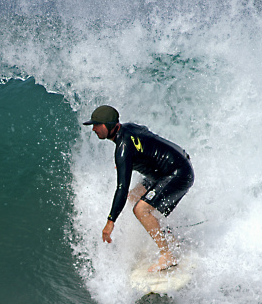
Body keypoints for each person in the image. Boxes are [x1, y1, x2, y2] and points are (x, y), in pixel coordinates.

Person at [83, 105, 194, 272]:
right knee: (134, 196)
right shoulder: (128, 128)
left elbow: (121, 187)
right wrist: (131, 162)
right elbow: (147, 135)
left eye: (97, 125)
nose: (94, 129)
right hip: (171, 167)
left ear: (110, 125)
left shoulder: (123, 149)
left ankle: (167, 255)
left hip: (177, 173)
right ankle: (169, 238)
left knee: (141, 210)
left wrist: (110, 221)